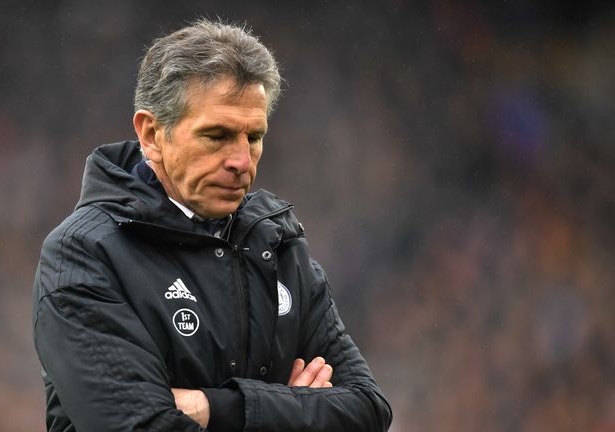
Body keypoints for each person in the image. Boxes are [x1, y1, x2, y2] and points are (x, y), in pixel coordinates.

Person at [33, 19, 392, 432]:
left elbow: (368, 411)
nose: (242, 161)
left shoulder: (277, 244)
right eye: (217, 136)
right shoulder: (84, 255)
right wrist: (292, 410)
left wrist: (213, 407)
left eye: (253, 137)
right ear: (152, 134)